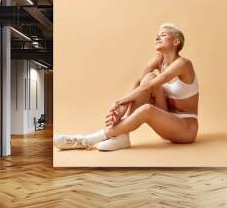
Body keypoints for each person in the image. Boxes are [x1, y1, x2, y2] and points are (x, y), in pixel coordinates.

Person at [54, 23, 199, 151]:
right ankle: (123, 136)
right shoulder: (158, 59)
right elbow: (138, 83)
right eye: (156, 35)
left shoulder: (184, 64)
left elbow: (149, 87)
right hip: (165, 119)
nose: (157, 38)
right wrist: (120, 110)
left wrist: (118, 102)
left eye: (163, 35)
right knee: (148, 77)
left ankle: (86, 140)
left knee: (147, 106)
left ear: (176, 41)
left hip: (185, 129)